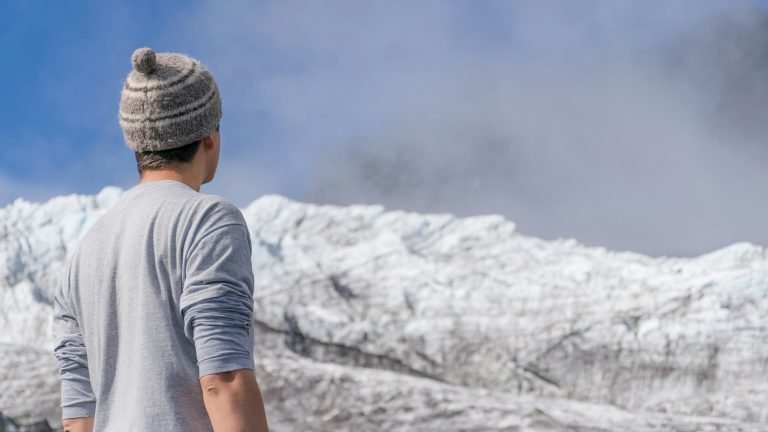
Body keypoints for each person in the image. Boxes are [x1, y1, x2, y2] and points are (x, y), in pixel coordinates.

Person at [52, 47, 269, 432]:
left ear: (136, 142)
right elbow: (224, 380)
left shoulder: (84, 251)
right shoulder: (209, 220)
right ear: (210, 136)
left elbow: (78, 416)